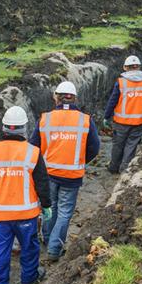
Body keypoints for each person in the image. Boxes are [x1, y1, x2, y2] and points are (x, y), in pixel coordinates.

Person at [0, 106, 52, 284]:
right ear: (24, 128)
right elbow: (42, 182)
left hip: (0, 215)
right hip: (26, 216)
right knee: (29, 248)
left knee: (0, 251)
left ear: (4, 128)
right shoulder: (32, 152)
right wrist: (47, 205)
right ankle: (29, 279)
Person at [29, 81, 100, 261]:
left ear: (56, 98)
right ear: (74, 98)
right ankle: (54, 249)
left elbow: (33, 147)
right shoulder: (85, 120)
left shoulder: (45, 119)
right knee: (65, 212)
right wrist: (80, 162)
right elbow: (94, 147)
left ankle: (47, 240)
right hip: (72, 176)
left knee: (49, 207)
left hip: (48, 174)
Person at [103, 55, 142, 174]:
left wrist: (106, 116)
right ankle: (125, 170)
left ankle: (113, 167)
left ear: (125, 67)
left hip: (121, 122)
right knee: (131, 146)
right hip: (138, 122)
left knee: (118, 145)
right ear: (138, 67)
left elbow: (112, 101)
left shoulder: (121, 82)